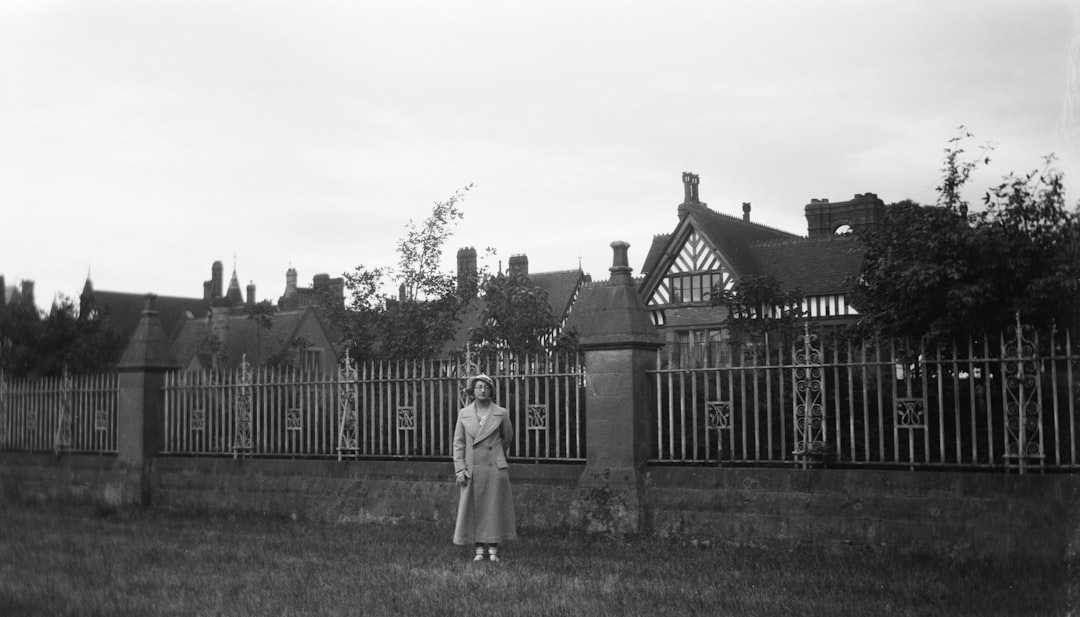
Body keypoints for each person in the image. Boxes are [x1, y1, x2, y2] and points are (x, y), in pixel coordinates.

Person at [452, 373, 516, 562]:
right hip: (472, 470)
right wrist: (460, 468)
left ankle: (493, 548)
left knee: (493, 508)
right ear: (472, 391)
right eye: (479, 387)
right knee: (475, 508)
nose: (482, 390)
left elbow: (508, 437)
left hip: (494, 468)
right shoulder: (464, 414)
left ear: (491, 391)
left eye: (486, 387)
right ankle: (479, 548)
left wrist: (496, 455)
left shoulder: (501, 413)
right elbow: (459, 443)